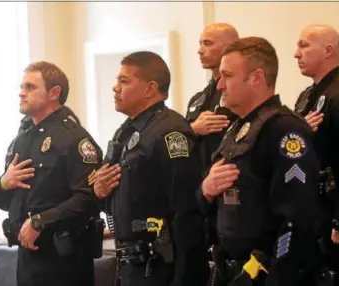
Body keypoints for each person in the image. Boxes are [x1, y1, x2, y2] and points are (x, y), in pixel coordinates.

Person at [198, 37, 324, 286]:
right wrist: (206, 190)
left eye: (227, 75)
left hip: (268, 274)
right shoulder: (238, 128)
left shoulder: (284, 129)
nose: (220, 85)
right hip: (234, 272)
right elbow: (213, 205)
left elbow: (297, 217)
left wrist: (276, 276)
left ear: (255, 78)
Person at [93, 51, 210, 286]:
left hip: (161, 267)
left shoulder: (170, 131)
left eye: (124, 81)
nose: (115, 87)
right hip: (131, 265)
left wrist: (184, 279)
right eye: (117, 80)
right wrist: (99, 191)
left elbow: (187, 212)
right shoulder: (126, 132)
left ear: (150, 89)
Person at [0, 61, 103, 286]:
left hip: (64, 259)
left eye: (30, 87)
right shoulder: (22, 139)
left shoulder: (74, 139)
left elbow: (90, 199)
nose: (21, 93)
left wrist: (40, 222)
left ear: (54, 93)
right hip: (28, 258)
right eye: (21, 87)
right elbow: (5, 202)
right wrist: (4, 184)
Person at [294, 24, 339, 282]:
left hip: (331, 208)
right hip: (311, 208)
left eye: (304, 45)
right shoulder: (307, 96)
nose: (295, 53)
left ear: (329, 50)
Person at [186, 23, 239, 173]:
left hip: (229, 174)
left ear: (230, 47)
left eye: (208, 43)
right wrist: (193, 129)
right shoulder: (197, 99)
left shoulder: (241, 93)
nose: (200, 51)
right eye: (200, 44)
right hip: (199, 179)